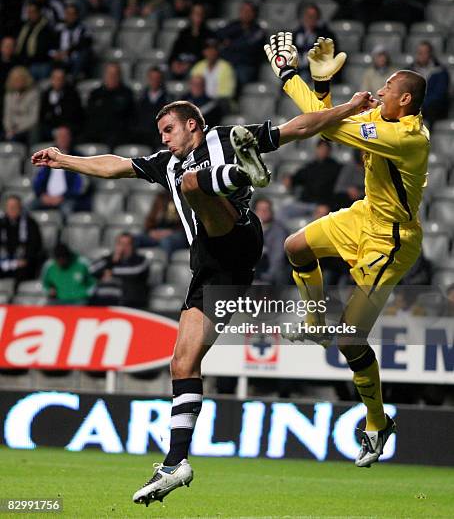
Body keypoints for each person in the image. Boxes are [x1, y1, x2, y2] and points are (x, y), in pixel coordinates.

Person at [31, 79, 372, 505]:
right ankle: (176, 464)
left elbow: (299, 127)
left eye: (169, 131)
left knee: (193, 184)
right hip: (214, 271)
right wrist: (65, 159)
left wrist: (348, 107)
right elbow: (114, 164)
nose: (164, 140)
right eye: (161, 135)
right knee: (182, 361)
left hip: (241, 234)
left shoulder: (228, 137)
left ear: (193, 125)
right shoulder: (164, 163)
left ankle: (240, 175)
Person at [264, 32, 429, 468]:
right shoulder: (384, 118)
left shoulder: (408, 139)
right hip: (365, 214)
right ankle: (314, 321)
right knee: (295, 245)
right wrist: (322, 88)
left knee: (350, 338)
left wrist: (289, 75)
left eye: (388, 88)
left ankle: (377, 421)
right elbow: (326, 120)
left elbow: (329, 126)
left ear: (406, 100)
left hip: (392, 239)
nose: (379, 92)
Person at [32, 126, 87, 217]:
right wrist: (42, 195)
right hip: (46, 197)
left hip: (67, 198)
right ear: (55, 139)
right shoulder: (46, 156)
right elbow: (37, 179)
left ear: (70, 138)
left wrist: (64, 197)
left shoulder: (78, 157)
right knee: (27, 208)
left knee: (67, 211)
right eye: (60, 136)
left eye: (65, 136)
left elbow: (82, 184)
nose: (63, 139)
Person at [90, 232, 149, 309]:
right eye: (121, 244)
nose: (124, 247)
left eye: (127, 244)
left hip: (132, 302)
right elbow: (91, 269)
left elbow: (135, 271)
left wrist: (111, 272)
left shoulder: (140, 260)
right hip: (106, 302)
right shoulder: (108, 259)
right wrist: (112, 260)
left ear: (133, 246)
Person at [84, 62, 135, 148]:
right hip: (97, 133)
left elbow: (131, 118)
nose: (112, 77)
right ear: (104, 75)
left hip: (118, 135)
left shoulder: (126, 94)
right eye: (110, 74)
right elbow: (89, 115)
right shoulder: (95, 94)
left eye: (115, 74)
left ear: (119, 76)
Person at [217, 1, 266, 86]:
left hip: (245, 65)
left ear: (254, 13)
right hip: (228, 63)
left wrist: (230, 44)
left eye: (248, 11)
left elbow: (249, 47)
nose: (245, 13)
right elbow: (219, 36)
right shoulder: (233, 26)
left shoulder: (258, 30)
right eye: (243, 10)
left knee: (238, 76)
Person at [0, 195, 43, 286]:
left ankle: (14, 297)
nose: (12, 209)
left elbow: (35, 245)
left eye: (14, 207)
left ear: (20, 208)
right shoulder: (2, 223)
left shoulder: (30, 223)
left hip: (23, 263)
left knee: (23, 272)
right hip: (4, 261)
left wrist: (26, 260)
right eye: (9, 207)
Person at [409, 41, 450, 127]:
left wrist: (422, 105)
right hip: (414, 106)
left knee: (432, 110)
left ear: (430, 54)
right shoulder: (409, 70)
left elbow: (440, 94)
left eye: (425, 52)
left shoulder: (440, 71)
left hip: (432, 108)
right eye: (420, 53)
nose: (422, 55)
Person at [289, 140, 341, 207]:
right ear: (317, 149)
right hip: (305, 202)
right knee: (284, 211)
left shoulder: (335, 167)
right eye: (321, 148)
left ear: (329, 151)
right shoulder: (310, 166)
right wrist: (289, 179)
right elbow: (298, 178)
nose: (323, 151)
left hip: (321, 205)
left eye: (325, 149)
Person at [168, 3, 214, 79]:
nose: (198, 16)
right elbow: (174, 52)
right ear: (191, 15)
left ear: (204, 15)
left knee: (192, 73)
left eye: (200, 13)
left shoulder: (208, 34)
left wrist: (190, 65)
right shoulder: (184, 33)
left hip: (195, 66)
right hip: (180, 64)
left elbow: (206, 56)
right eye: (196, 13)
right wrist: (174, 63)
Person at [136, 191, 187, 257]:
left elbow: (188, 224)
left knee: (166, 242)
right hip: (157, 232)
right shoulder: (161, 197)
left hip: (177, 233)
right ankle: (133, 263)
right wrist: (151, 231)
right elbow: (150, 219)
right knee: (135, 239)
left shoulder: (184, 197)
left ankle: (164, 266)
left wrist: (170, 232)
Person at [293, 4, 336, 81]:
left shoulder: (325, 36)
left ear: (318, 18)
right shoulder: (294, 35)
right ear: (302, 17)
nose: (310, 18)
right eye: (308, 15)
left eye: (314, 16)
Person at [50, 4, 92, 79]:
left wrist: (68, 51)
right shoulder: (59, 29)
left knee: (83, 54)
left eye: (73, 14)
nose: (70, 16)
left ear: (77, 15)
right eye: (68, 14)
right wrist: (55, 54)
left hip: (75, 58)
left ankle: (73, 79)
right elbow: (52, 45)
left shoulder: (83, 28)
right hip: (61, 59)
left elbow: (86, 43)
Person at [253, 197, 289, 284]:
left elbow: (277, 260)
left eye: (266, 209)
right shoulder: (249, 228)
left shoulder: (279, 231)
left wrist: (265, 278)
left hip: (270, 278)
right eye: (260, 209)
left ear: (272, 211)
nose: (263, 212)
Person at [39, 68, 83, 139]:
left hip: (67, 126)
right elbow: (43, 114)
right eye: (55, 78)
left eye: (60, 78)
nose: (58, 81)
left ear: (64, 80)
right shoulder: (47, 94)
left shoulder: (72, 93)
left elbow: (74, 114)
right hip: (50, 126)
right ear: (51, 80)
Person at [15, 2, 54, 80]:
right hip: (25, 63)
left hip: (40, 64)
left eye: (33, 12)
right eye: (29, 12)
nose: (31, 14)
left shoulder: (46, 28)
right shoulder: (25, 27)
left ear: (39, 12)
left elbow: (44, 48)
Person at [132, 66, 168, 149]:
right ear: (148, 79)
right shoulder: (140, 99)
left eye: (157, 78)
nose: (154, 81)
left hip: (159, 136)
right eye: (152, 78)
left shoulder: (168, 99)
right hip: (143, 136)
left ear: (161, 79)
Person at [3, 65, 39, 144]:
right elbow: (7, 116)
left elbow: (33, 118)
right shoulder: (9, 96)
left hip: (27, 129)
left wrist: (17, 129)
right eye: (15, 80)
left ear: (26, 80)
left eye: (20, 79)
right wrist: (9, 129)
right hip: (11, 130)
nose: (18, 82)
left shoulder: (33, 94)